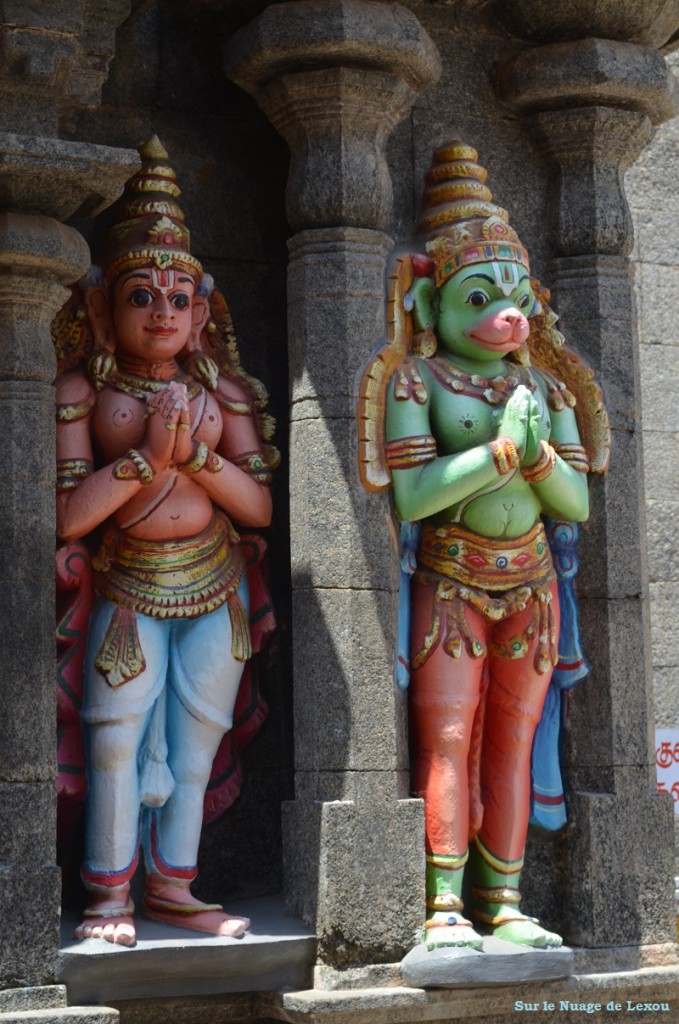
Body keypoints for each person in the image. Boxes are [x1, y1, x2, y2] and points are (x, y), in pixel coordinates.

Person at [360, 141, 606, 950]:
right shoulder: (416, 383)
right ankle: (442, 910)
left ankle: (503, 902)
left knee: (513, 738)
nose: (507, 316)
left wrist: (535, 457)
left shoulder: (546, 386)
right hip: (452, 579)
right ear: (432, 309)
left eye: (516, 300)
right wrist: (498, 455)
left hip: (529, 582)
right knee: (450, 737)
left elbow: (572, 502)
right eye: (480, 297)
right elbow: (413, 496)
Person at [54, 137, 275, 947]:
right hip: (125, 583)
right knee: (116, 733)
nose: (161, 312)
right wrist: (149, 458)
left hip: (215, 583)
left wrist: (200, 457)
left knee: (196, 738)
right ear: (103, 308)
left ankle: (176, 886)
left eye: (178, 298)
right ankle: (108, 896)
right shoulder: (84, 391)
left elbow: (256, 509)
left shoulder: (226, 389)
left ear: (202, 311)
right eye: (141, 295)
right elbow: (71, 516)